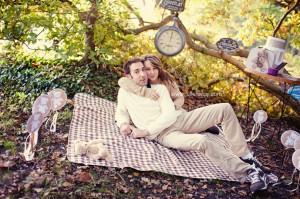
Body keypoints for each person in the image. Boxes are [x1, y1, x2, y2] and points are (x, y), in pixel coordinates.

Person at [115, 57, 270, 193]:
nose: (143, 74)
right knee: (202, 141)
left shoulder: (160, 89)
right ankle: (249, 172)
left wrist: (145, 131)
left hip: (179, 120)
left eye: (143, 69)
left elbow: (169, 116)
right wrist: (123, 124)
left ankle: (245, 156)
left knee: (225, 108)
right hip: (165, 135)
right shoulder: (124, 92)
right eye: (137, 71)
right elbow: (121, 111)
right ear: (128, 76)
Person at [118, 54, 220, 134]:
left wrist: (173, 106)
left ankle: (202, 126)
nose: (152, 72)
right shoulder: (142, 79)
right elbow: (123, 81)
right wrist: (144, 92)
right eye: (148, 69)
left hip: (172, 110)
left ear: (159, 69)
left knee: (183, 120)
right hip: (155, 115)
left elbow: (179, 97)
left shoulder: (166, 80)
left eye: (155, 68)